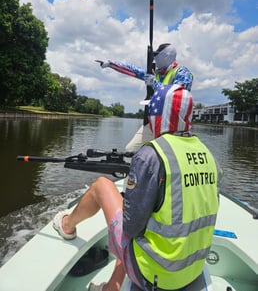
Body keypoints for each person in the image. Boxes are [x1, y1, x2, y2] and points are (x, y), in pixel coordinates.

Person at [53, 85, 221, 291]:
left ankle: (67, 225)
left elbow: (131, 228)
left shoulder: (151, 155)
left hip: (156, 275)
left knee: (102, 186)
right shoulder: (208, 155)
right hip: (191, 270)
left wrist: (130, 199)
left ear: (159, 115)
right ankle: (113, 285)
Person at [98, 43, 193, 152]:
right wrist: (111, 64)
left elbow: (176, 96)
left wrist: (154, 83)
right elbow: (134, 70)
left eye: (157, 55)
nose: (155, 58)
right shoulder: (155, 73)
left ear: (166, 56)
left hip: (172, 126)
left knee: (165, 156)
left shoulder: (182, 73)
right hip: (153, 122)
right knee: (131, 151)